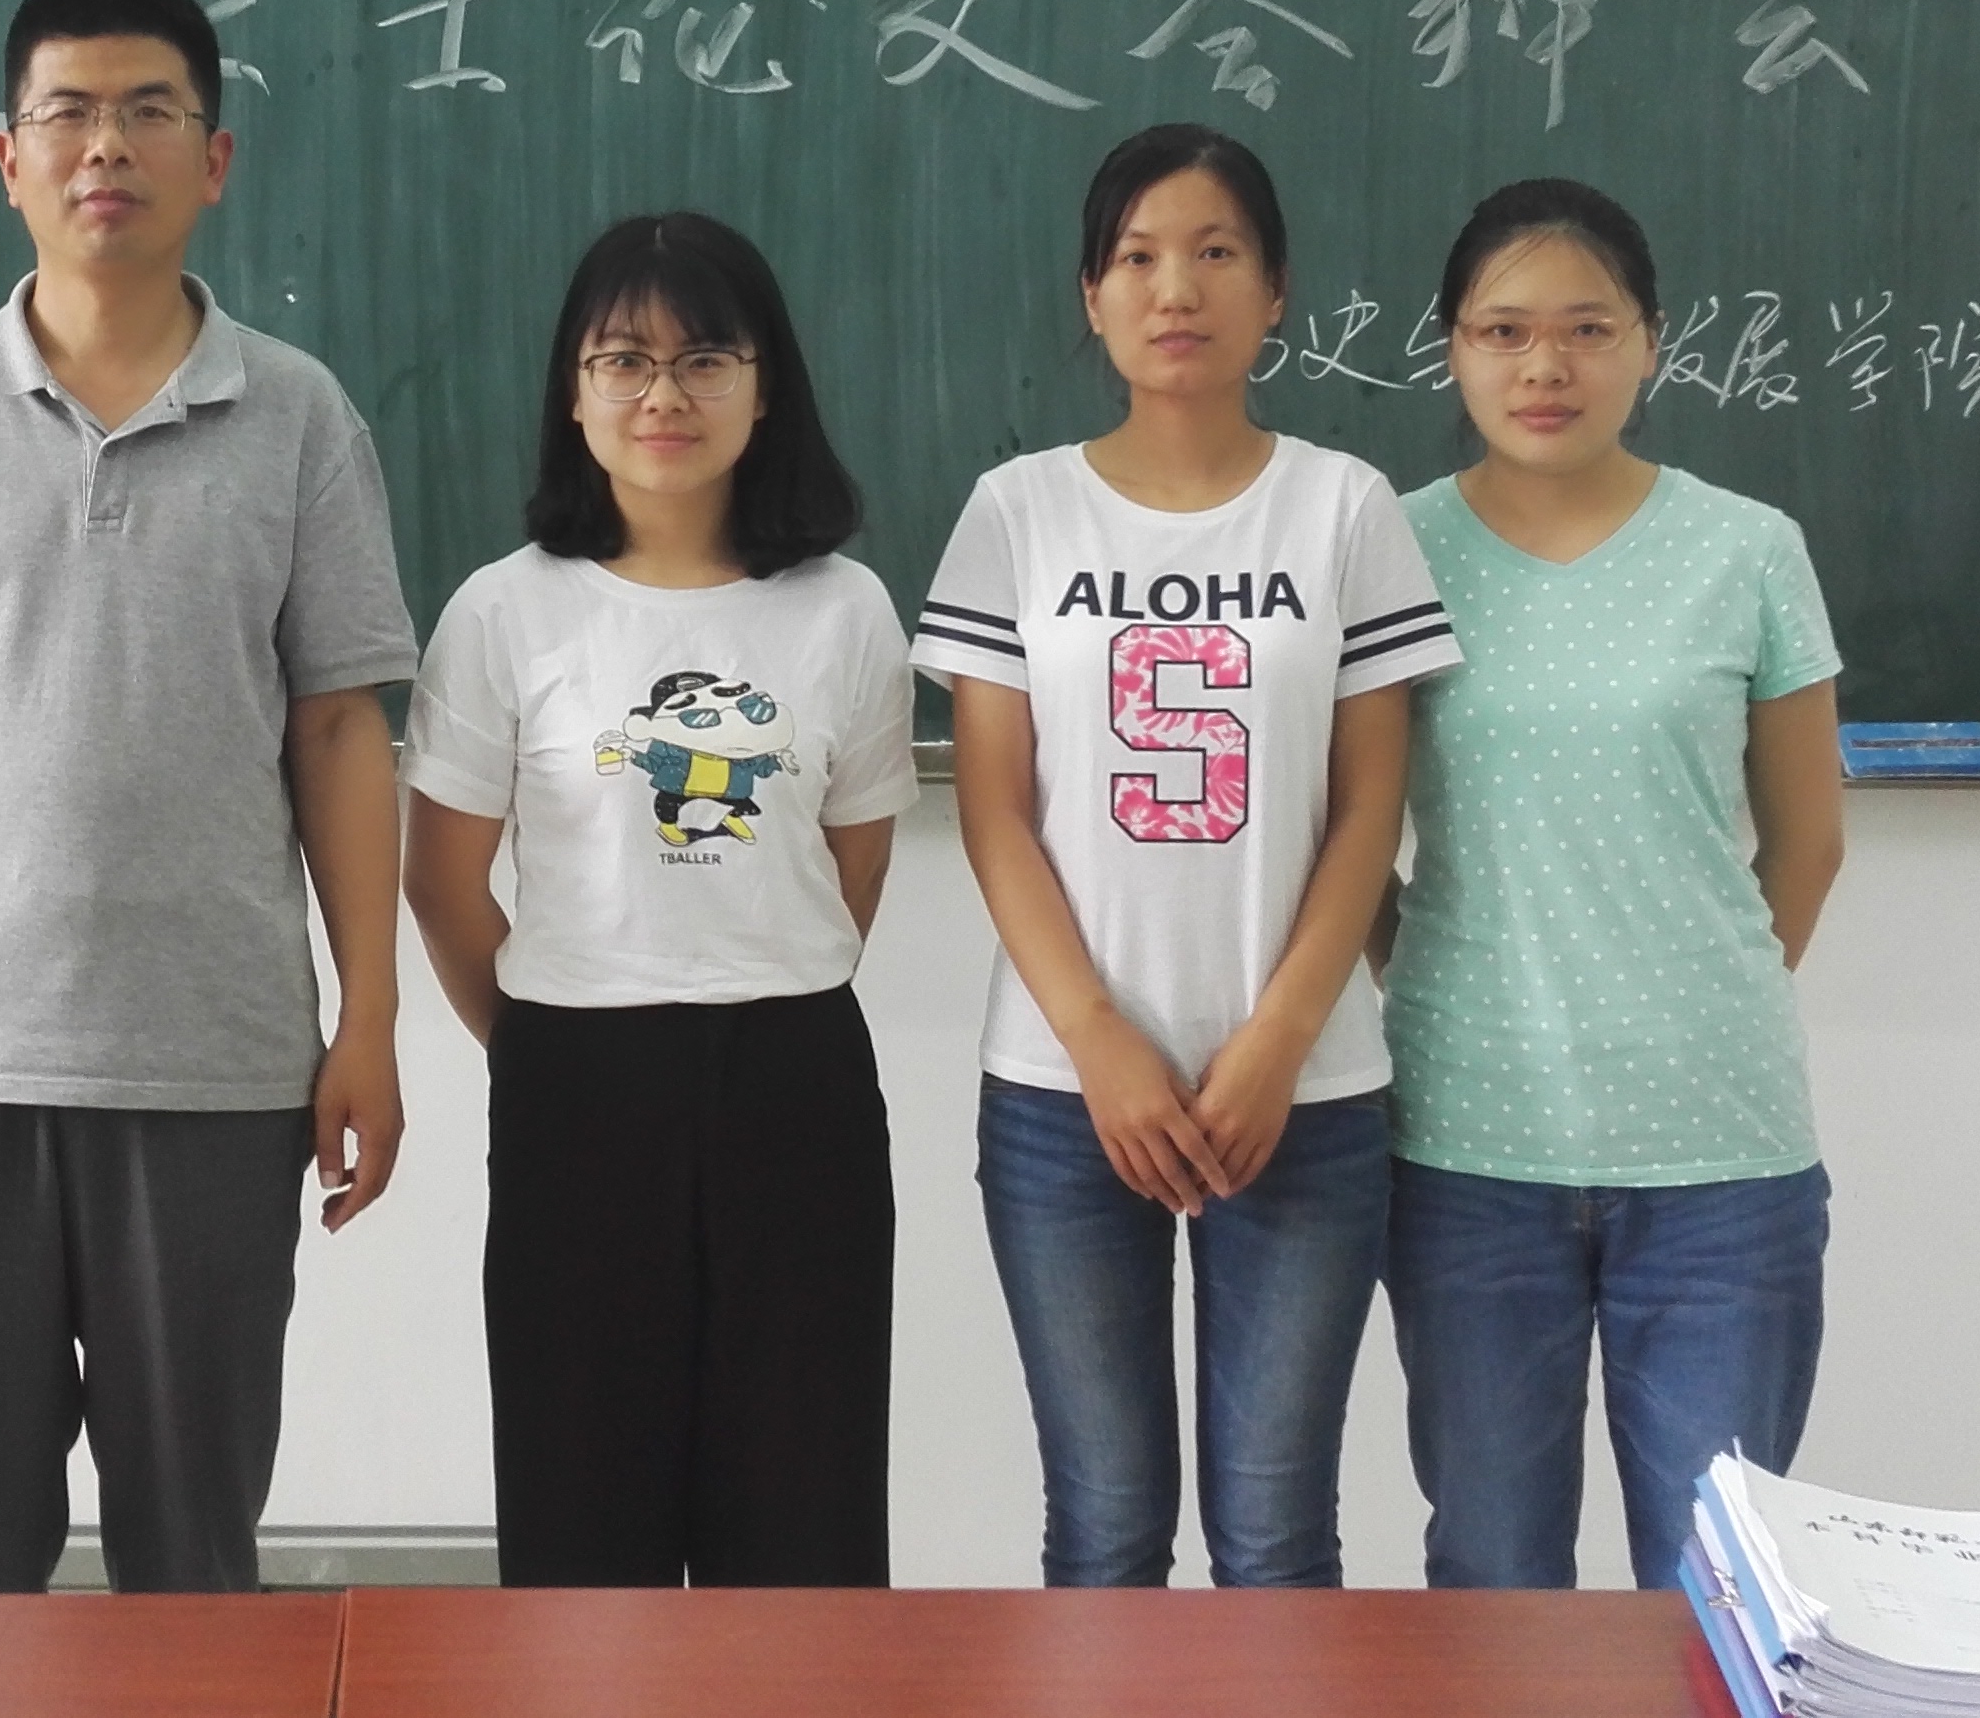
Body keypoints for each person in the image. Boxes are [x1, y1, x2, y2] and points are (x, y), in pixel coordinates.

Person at [0, 0, 419, 1595]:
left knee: (194, 1571)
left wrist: (371, 1021)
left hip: (213, 1073)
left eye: (148, 113)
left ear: (216, 159)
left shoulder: (299, 417)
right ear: (9, 160)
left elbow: (341, 731)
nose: (105, 147)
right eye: (66, 114)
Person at [912, 125, 1456, 1588]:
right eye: (1139, 256)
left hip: (1306, 1094)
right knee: (1105, 1529)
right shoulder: (1018, 509)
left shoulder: (1344, 506)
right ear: (1090, 295)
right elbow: (993, 807)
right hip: (1063, 1091)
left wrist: (1279, 1039)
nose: (1177, 288)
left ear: (1275, 291)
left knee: (1277, 1538)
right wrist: (1097, 1037)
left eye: (1217, 252)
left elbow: (1370, 806)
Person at [403, 213, 916, 1590]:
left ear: (765, 386)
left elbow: (855, 864)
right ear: (573, 393)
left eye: (704, 360)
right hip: (577, 1082)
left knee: (802, 1518)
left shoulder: (845, 610)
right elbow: (442, 880)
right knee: (584, 1516)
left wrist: (742, 970)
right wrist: (550, 1037)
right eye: (623, 360)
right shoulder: (505, 610)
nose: (663, 396)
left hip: (795, 1078)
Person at [1382, 177, 1847, 1593]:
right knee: (1492, 1575)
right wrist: (1432, 977)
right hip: (1469, 1140)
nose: (1547, 366)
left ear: (1652, 342)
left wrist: (1687, 999)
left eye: (1589, 328)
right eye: (1505, 330)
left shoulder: (1747, 549)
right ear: (1453, 348)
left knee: (1718, 1584)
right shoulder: (1387, 550)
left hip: (1721, 1157)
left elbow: (1808, 841)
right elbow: (1344, 840)